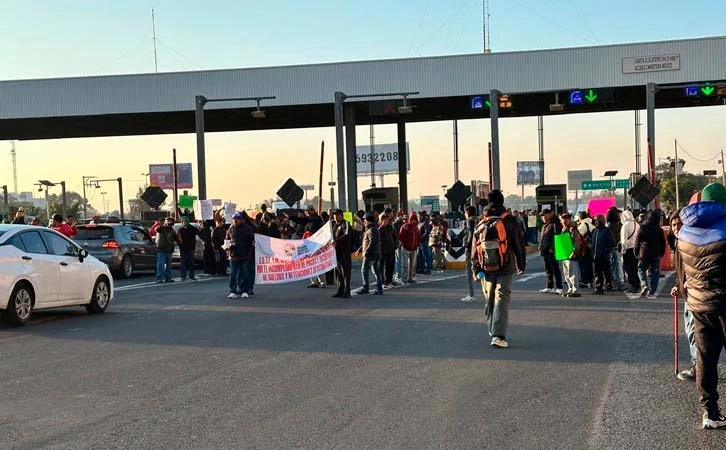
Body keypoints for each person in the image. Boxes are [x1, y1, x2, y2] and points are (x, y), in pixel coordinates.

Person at [677, 182, 726, 429]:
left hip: (698, 304)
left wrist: (690, 296)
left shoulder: (685, 229)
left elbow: (681, 273)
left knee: (705, 358)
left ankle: (710, 413)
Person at [471, 190, 526, 348]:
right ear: (502, 202)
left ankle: (492, 328)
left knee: (489, 298)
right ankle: (498, 335)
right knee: (501, 298)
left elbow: (475, 248)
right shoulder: (509, 220)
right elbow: (518, 243)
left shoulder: (481, 221)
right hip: (505, 265)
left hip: (485, 267)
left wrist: (475, 269)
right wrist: (521, 264)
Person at [669, 209, 697, 382]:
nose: (676, 227)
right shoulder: (679, 243)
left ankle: (697, 366)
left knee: (694, 331)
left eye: (679, 224)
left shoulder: (689, 243)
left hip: (696, 295)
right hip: (689, 293)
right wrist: (678, 286)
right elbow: (682, 272)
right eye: (673, 225)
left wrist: (688, 282)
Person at [634, 210, 666, 297]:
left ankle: (644, 284)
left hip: (644, 252)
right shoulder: (659, 230)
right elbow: (663, 242)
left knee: (641, 269)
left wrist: (636, 252)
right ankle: (653, 290)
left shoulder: (643, 228)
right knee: (655, 272)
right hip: (655, 252)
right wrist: (662, 253)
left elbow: (637, 241)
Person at [226, 212, 255, 299]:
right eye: (234, 219)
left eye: (237, 219)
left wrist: (251, 247)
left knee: (245, 274)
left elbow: (252, 240)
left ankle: (244, 290)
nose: (235, 221)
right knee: (233, 274)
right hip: (233, 255)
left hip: (244, 255)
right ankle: (232, 291)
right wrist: (227, 246)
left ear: (241, 220)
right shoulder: (231, 228)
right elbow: (227, 239)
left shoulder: (248, 228)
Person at [357, 213, 383, 295]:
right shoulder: (372, 229)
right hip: (374, 254)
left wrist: (366, 252)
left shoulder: (372, 230)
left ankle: (366, 287)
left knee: (364, 270)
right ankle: (379, 289)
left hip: (371, 254)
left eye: (365, 220)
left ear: (369, 221)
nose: (364, 221)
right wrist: (360, 250)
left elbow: (372, 242)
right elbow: (367, 242)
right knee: (376, 271)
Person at [539, 208, 564, 295]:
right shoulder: (545, 225)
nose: (543, 217)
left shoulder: (555, 223)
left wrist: (552, 248)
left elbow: (557, 237)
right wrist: (540, 248)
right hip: (545, 250)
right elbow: (542, 238)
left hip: (551, 250)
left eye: (544, 215)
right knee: (548, 269)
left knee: (555, 268)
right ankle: (549, 286)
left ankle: (559, 286)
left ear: (549, 214)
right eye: (542, 216)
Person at [559, 213, 583, 298]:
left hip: (571, 254)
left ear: (569, 219)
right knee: (566, 273)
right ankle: (570, 289)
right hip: (565, 254)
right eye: (562, 219)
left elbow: (576, 241)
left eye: (565, 219)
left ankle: (575, 290)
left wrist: (574, 252)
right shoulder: (564, 229)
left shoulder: (572, 229)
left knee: (573, 272)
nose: (563, 221)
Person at [590, 215, 614, 295]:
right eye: (595, 221)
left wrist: (606, 252)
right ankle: (598, 287)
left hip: (604, 256)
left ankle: (608, 286)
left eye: (597, 221)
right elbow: (592, 242)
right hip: (596, 256)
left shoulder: (606, 231)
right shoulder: (594, 231)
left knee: (607, 272)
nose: (596, 222)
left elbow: (610, 243)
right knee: (597, 272)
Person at [331, 209, 352, 299]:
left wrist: (337, 241)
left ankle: (347, 291)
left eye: (338, 214)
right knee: (338, 272)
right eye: (335, 215)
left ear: (342, 215)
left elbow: (346, 235)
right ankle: (340, 290)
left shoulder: (345, 224)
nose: (336, 216)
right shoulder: (334, 225)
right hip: (336, 252)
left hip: (344, 251)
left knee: (345, 272)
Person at [620, 210, 641, 293]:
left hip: (628, 249)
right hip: (636, 248)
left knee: (629, 268)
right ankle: (638, 284)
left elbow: (623, 239)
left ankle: (633, 285)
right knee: (635, 267)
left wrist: (623, 250)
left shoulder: (625, 225)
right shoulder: (637, 224)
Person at [461, 206, 478, 302]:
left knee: (468, 271)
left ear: (468, 213)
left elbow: (471, 233)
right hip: (478, 248)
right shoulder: (479, 219)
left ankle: (471, 294)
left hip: (471, 249)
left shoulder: (469, 221)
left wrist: (467, 245)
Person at [398, 213, 420, 284]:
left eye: (415, 220)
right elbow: (401, 237)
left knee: (412, 265)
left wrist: (417, 245)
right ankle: (404, 279)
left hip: (414, 248)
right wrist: (404, 244)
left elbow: (418, 237)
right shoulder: (405, 226)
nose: (414, 221)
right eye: (412, 219)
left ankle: (411, 278)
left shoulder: (416, 228)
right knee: (405, 265)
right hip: (406, 248)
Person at [606, 207, 625, 290]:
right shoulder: (619, 225)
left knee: (612, 266)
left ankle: (612, 282)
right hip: (617, 247)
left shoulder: (608, 226)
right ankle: (619, 282)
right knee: (617, 265)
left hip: (611, 248)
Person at [155, 217, 178, 283]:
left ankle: (168, 278)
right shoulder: (161, 228)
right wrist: (163, 225)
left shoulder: (172, 230)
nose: (169, 223)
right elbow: (156, 229)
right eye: (167, 221)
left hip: (169, 249)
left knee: (168, 265)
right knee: (160, 264)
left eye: (170, 222)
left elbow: (176, 238)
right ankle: (159, 278)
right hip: (161, 249)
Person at [176, 216, 199, 282]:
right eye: (183, 221)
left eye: (185, 221)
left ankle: (192, 275)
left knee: (191, 262)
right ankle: (183, 276)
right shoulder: (180, 230)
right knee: (183, 263)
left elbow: (198, 232)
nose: (184, 222)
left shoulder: (192, 228)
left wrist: (201, 227)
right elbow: (177, 239)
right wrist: (178, 241)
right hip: (183, 248)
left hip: (191, 247)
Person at [577, 212, 595, 288]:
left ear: (580, 218)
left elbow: (578, 236)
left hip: (584, 248)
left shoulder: (584, 225)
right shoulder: (592, 224)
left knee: (583, 265)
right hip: (591, 247)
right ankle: (590, 281)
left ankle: (584, 281)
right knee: (589, 265)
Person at [379, 214, 397, 289]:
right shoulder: (380, 229)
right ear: (381, 220)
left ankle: (389, 280)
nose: (386, 221)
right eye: (383, 219)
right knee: (383, 267)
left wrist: (396, 244)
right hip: (383, 251)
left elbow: (395, 237)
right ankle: (384, 282)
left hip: (391, 250)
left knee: (390, 267)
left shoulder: (390, 228)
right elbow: (379, 241)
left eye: (387, 219)